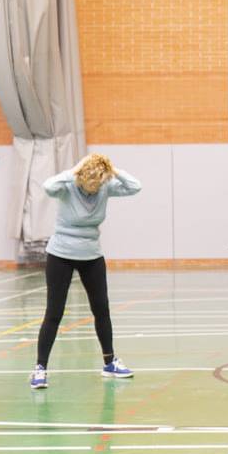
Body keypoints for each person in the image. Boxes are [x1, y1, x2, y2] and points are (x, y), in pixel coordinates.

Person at [31, 153, 142, 388]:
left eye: (98, 186)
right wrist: (75, 170)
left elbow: (135, 187)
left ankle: (110, 363)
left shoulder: (104, 186)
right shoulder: (68, 185)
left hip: (91, 254)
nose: (93, 191)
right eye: (89, 186)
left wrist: (113, 168)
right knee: (54, 313)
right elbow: (48, 186)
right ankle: (40, 369)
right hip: (60, 254)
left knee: (101, 309)